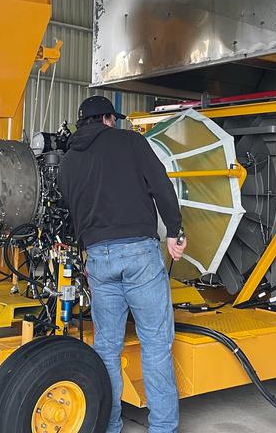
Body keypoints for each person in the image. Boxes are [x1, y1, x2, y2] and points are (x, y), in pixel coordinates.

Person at [59, 95, 186, 433]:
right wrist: (174, 231)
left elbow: (69, 214)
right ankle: (162, 428)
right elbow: (161, 184)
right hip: (139, 255)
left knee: (107, 348)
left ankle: (110, 425)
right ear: (108, 119)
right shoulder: (131, 141)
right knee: (156, 344)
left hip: (98, 260)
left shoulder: (68, 161)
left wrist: (85, 250)